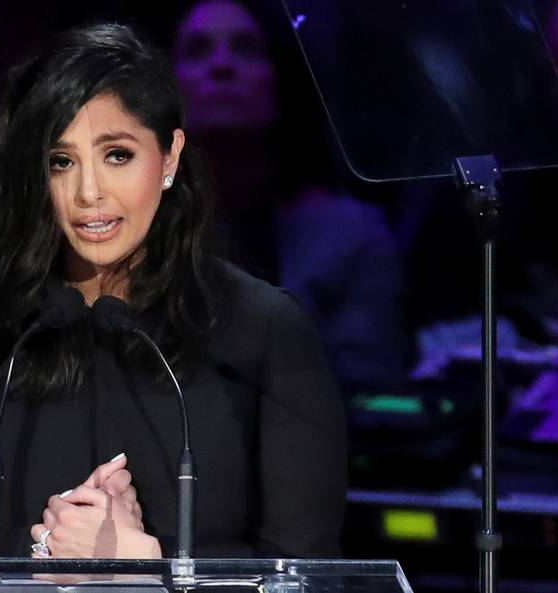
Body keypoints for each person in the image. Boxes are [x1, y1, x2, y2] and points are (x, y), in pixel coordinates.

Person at [0, 23, 345, 559]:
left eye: (117, 155)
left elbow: (307, 573)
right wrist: (45, 556)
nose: (88, 192)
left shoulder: (264, 330)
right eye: (61, 161)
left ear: (168, 158)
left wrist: (149, 570)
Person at [172, 0, 406, 393]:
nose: (222, 65)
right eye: (198, 50)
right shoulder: (127, 231)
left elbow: (370, 400)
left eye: (246, 48)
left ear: (281, 77)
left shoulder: (351, 236)